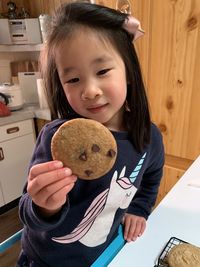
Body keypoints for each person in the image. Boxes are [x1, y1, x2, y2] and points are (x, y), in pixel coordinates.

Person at [17, 2, 164, 267]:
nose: (90, 90)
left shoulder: (148, 138)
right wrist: (44, 205)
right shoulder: (55, 138)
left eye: (102, 71)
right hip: (45, 260)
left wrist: (139, 209)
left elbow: (152, 176)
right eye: (73, 79)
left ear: (128, 70)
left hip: (104, 255)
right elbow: (29, 213)